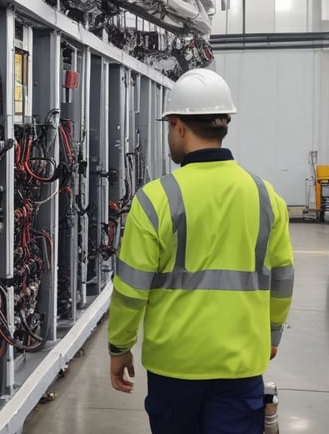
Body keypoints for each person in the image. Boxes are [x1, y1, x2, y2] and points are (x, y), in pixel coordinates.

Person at [107, 68, 294, 433]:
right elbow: (283, 278)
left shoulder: (155, 200)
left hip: (174, 368)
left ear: (177, 126)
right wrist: (271, 337)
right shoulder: (266, 197)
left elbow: (130, 291)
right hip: (240, 366)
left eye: (168, 128)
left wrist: (119, 347)